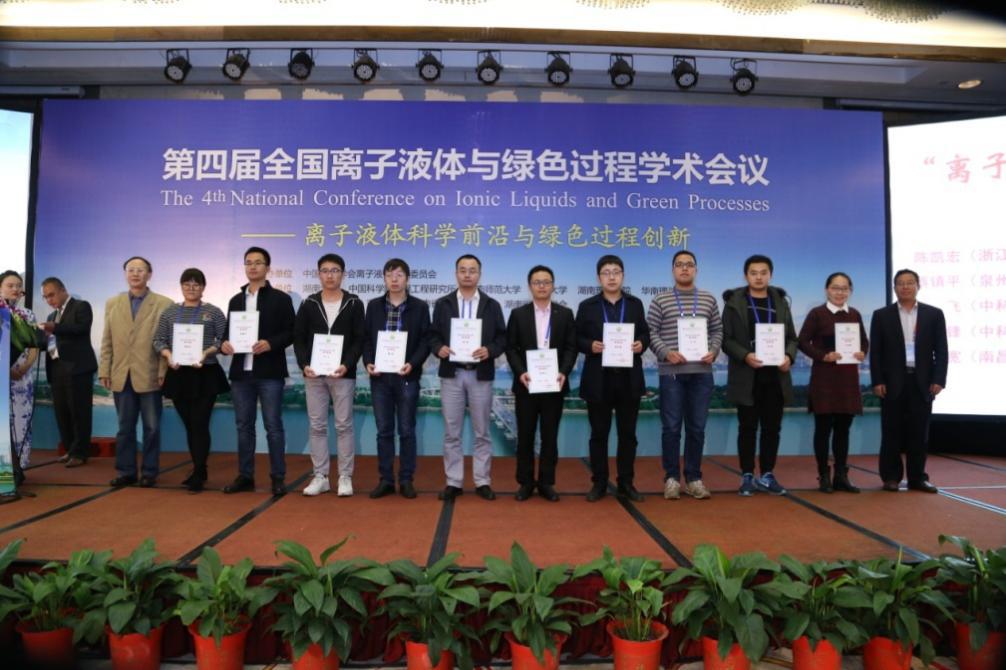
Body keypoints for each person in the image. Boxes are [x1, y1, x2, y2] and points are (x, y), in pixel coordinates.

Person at [428, 254, 506, 501]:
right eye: (463, 270)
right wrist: (438, 348)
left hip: (480, 375)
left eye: (472, 270)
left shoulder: (492, 305)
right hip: (452, 374)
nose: (467, 274)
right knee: (452, 432)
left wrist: (490, 350)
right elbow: (432, 335)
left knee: (482, 432)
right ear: (456, 274)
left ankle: (482, 481)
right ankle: (454, 481)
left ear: (479, 274)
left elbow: (502, 338)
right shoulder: (443, 304)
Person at [646, 251, 722, 501]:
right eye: (679, 265)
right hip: (672, 374)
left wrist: (713, 351)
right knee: (671, 428)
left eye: (689, 265)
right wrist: (666, 352)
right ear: (673, 270)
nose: (685, 269)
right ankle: (671, 478)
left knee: (697, 428)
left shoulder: (708, 299)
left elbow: (717, 330)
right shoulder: (661, 300)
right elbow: (650, 331)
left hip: (701, 373)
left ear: (696, 270)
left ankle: (693, 478)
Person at [220, 247, 296, 497]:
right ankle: (245, 476)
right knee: (244, 426)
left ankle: (278, 477)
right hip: (241, 374)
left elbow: (291, 332)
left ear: (268, 268)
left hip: (269, 372)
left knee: (273, 426)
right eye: (248, 263)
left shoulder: (281, 299)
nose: (252, 267)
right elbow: (227, 334)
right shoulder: (235, 300)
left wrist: (271, 343)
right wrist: (224, 344)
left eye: (258, 262)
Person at [576, 254, 651, 502]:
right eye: (606, 273)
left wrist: (641, 344)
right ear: (599, 278)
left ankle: (626, 482)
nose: (611, 277)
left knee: (628, 435)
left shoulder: (635, 304)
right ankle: (599, 482)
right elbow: (576, 338)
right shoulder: (587, 306)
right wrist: (590, 345)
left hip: (628, 379)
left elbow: (645, 334)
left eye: (616, 272)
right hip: (599, 379)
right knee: (599, 434)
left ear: (623, 276)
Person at [722, 254, 798, 497]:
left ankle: (767, 474)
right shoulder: (734, 302)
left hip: (775, 376)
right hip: (747, 375)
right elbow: (726, 340)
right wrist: (745, 355)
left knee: (772, 428)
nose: (758, 277)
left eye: (763, 273)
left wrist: (789, 357)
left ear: (770, 275)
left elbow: (792, 338)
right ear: (746, 276)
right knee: (747, 428)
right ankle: (746, 475)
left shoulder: (780, 302)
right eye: (753, 273)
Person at [869, 268, 948, 493]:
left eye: (910, 282)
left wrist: (939, 379)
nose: (905, 286)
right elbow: (876, 352)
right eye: (901, 283)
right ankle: (891, 477)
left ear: (918, 286)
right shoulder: (881, 315)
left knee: (919, 433)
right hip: (892, 381)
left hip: (922, 382)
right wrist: (877, 380)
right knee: (891, 431)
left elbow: (941, 350)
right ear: (894, 288)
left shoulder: (933, 314)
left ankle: (917, 478)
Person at [293, 254, 365, 498]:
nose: (330, 275)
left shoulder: (354, 303)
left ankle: (345, 476)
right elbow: (299, 338)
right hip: (314, 374)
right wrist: (304, 364)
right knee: (317, 426)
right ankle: (321, 476)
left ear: (343, 274)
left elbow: (359, 339)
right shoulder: (309, 303)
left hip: (343, 374)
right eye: (325, 270)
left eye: (335, 270)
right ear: (319, 274)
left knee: (344, 425)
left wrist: (347, 364)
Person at [505, 265, 578, 502]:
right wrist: (521, 372)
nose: (542, 286)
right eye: (537, 282)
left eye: (546, 282)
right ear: (530, 286)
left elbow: (571, 347)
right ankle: (525, 482)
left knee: (550, 435)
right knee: (525, 436)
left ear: (553, 286)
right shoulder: (518, 314)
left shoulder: (565, 314)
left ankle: (546, 482)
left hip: (554, 384)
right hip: (527, 384)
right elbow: (510, 348)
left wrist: (564, 372)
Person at [152, 268, 229, 493]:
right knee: (189, 424)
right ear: (181, 287)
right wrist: (168, 355)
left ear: (203, 288)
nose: (191, 288)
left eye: (196, 284)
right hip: (178, 374)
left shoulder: (213, 312)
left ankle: (199, 471)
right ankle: (199, 469)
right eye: (187, 284)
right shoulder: (169, 312)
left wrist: (206, 353)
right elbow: (158, 340)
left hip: (206, 373)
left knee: (199, 423)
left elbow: (223, 340)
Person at [99, 257, 172, 488]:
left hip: (150, 373)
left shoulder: (164, 303)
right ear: (125, 274)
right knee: (125, 428)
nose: (135, 274)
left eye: (140, 270)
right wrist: (104, 369)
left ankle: (149, 472)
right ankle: (126, 472)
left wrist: (163, 370)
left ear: (149, 274)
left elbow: (167, 341)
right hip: (121, 374)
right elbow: (107, 340)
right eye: (131, 270)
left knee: (152, 427)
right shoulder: (113, 303)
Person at [363, 258, 430, 500]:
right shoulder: (373, 306)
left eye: (399, 274)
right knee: (384, 431)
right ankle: (386, 480)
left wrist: (413, 363)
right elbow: (366, 339)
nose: (394, 279)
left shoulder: (419, 307)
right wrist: (368, 362)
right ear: (384, 278)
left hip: (406, 377)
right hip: (380, 378)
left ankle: (406, 479)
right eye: (390, 274)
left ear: (407, 279)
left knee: (407, 430)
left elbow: (425, 340)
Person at [797, 272, 869, 493]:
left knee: (843, 430)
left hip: (848, 379)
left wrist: (862, 352)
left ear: (850, 291)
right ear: (827, 290)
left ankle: (841, 476)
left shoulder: (854, 314)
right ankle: (823, 475)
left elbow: (864, 342)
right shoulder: (817, 314)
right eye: (835, 288)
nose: (840, 292)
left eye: (844, 288)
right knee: (823, 429)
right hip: (824, 379)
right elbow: (802, 342)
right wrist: (823, 356)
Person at [38, 277, 97, 471]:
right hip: (56, 367)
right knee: (62, 412)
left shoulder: (81, 306)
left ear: (63, 290)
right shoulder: (51, 315)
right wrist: (35, 337)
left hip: (78, 368)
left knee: (79, 412)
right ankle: (70, 449)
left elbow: (80, 329)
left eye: (52, 295)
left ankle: (80, 453)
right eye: (46, 297)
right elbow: (50, 342)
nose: (49, 300)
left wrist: (54, 328)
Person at [1, 271, 38, 475]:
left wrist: (23, 368)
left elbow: (34, 347)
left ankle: (18, 468)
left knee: (21, 422)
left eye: (18, 285)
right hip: (2, 376)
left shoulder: (27, 314)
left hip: (22, 378)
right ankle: (4, 471)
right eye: (10, 285)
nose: (15, 289)